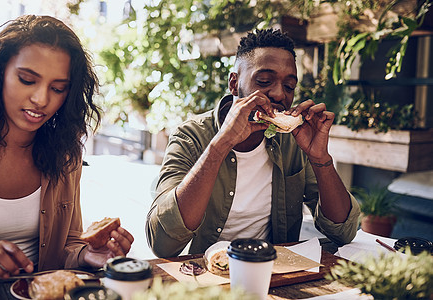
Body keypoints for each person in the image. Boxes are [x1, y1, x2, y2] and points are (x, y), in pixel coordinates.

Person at [146, 28, 360, 258]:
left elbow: (343, 232)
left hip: (275, 273)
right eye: (264, 80)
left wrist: (320, 159)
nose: (279, 94)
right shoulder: (190, 136)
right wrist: (221, 144)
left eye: (289, 86)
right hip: (206, 275)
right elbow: (162, 243)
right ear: (234, 83)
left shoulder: (293, 142)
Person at [0, 15, 134, 285]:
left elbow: (67, 245)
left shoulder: (65, 155)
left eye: (57, 88)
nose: (41, 99)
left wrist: (89, 254)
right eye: (27, 80)